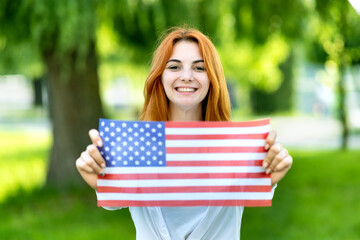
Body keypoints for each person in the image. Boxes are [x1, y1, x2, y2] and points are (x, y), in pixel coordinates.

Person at [76, 27, 293, 240]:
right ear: (160, 76)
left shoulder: (235, 147)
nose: (187, 76)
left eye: (199, 68)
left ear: (212, 78)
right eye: (174, 67)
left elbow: (257, 181)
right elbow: (113, 200)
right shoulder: (140, 144)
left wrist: (272, 169)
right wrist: (97, 173)